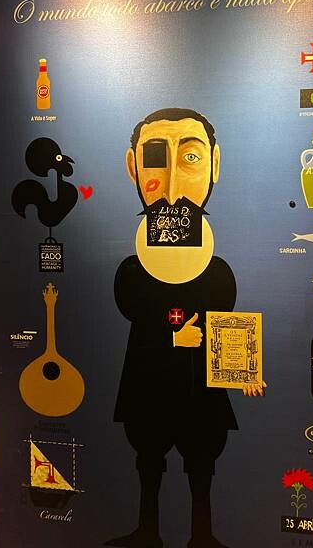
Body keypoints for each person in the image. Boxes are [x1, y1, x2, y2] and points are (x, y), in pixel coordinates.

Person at [106, 109, 266, 548]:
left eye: (191, 158)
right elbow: (137, 315)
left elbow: (222, 329)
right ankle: (147, 531)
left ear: (215, 163)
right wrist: (172, 337)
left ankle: (202, 535)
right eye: (156, 158)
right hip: (149, 388)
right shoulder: (131, 273)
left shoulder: (219, 274)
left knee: (201, 463)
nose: (173, 188)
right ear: (133, 167)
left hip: (199, 390)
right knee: (148, 458)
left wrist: (244, 372)